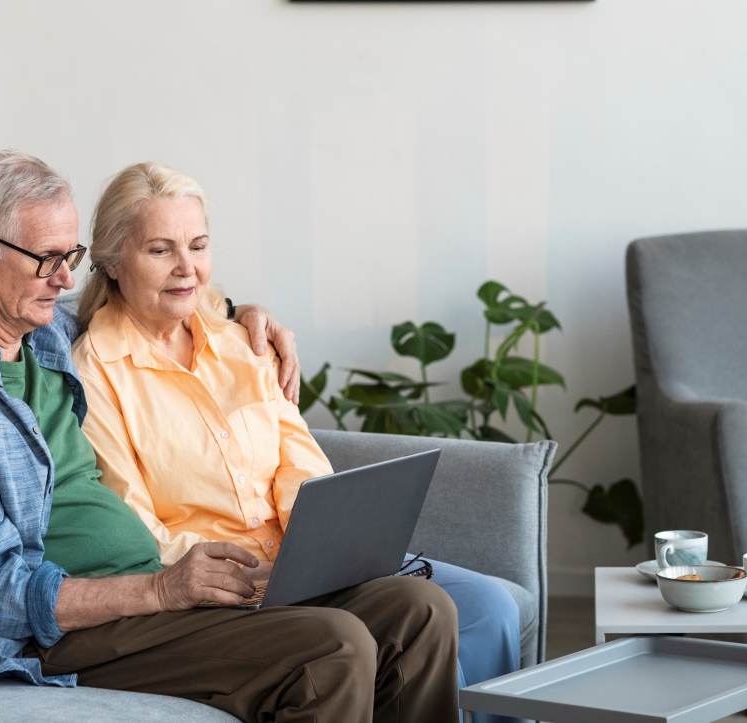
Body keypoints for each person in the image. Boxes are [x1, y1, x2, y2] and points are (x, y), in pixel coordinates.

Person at [0, 150, 459, 723]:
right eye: (47, 259)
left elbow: (157, 293)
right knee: (331, 647)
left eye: (71, 254)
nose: (66, 276)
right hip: (60, 634)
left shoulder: (40, 333)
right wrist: (162, 589)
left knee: (417, 610)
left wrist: (245, 313)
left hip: (152, 590)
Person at [69, 162, 521, 723]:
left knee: (425, 607)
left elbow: (300, 464)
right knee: (357, 632)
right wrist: (245, 573)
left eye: (199, 245)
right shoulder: (94, 372)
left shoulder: (243, 343)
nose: (187, 268)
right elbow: (134, 527)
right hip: (216, 584)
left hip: (295, 565)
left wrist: (322, 547)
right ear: (112, 261)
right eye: (160, 250)